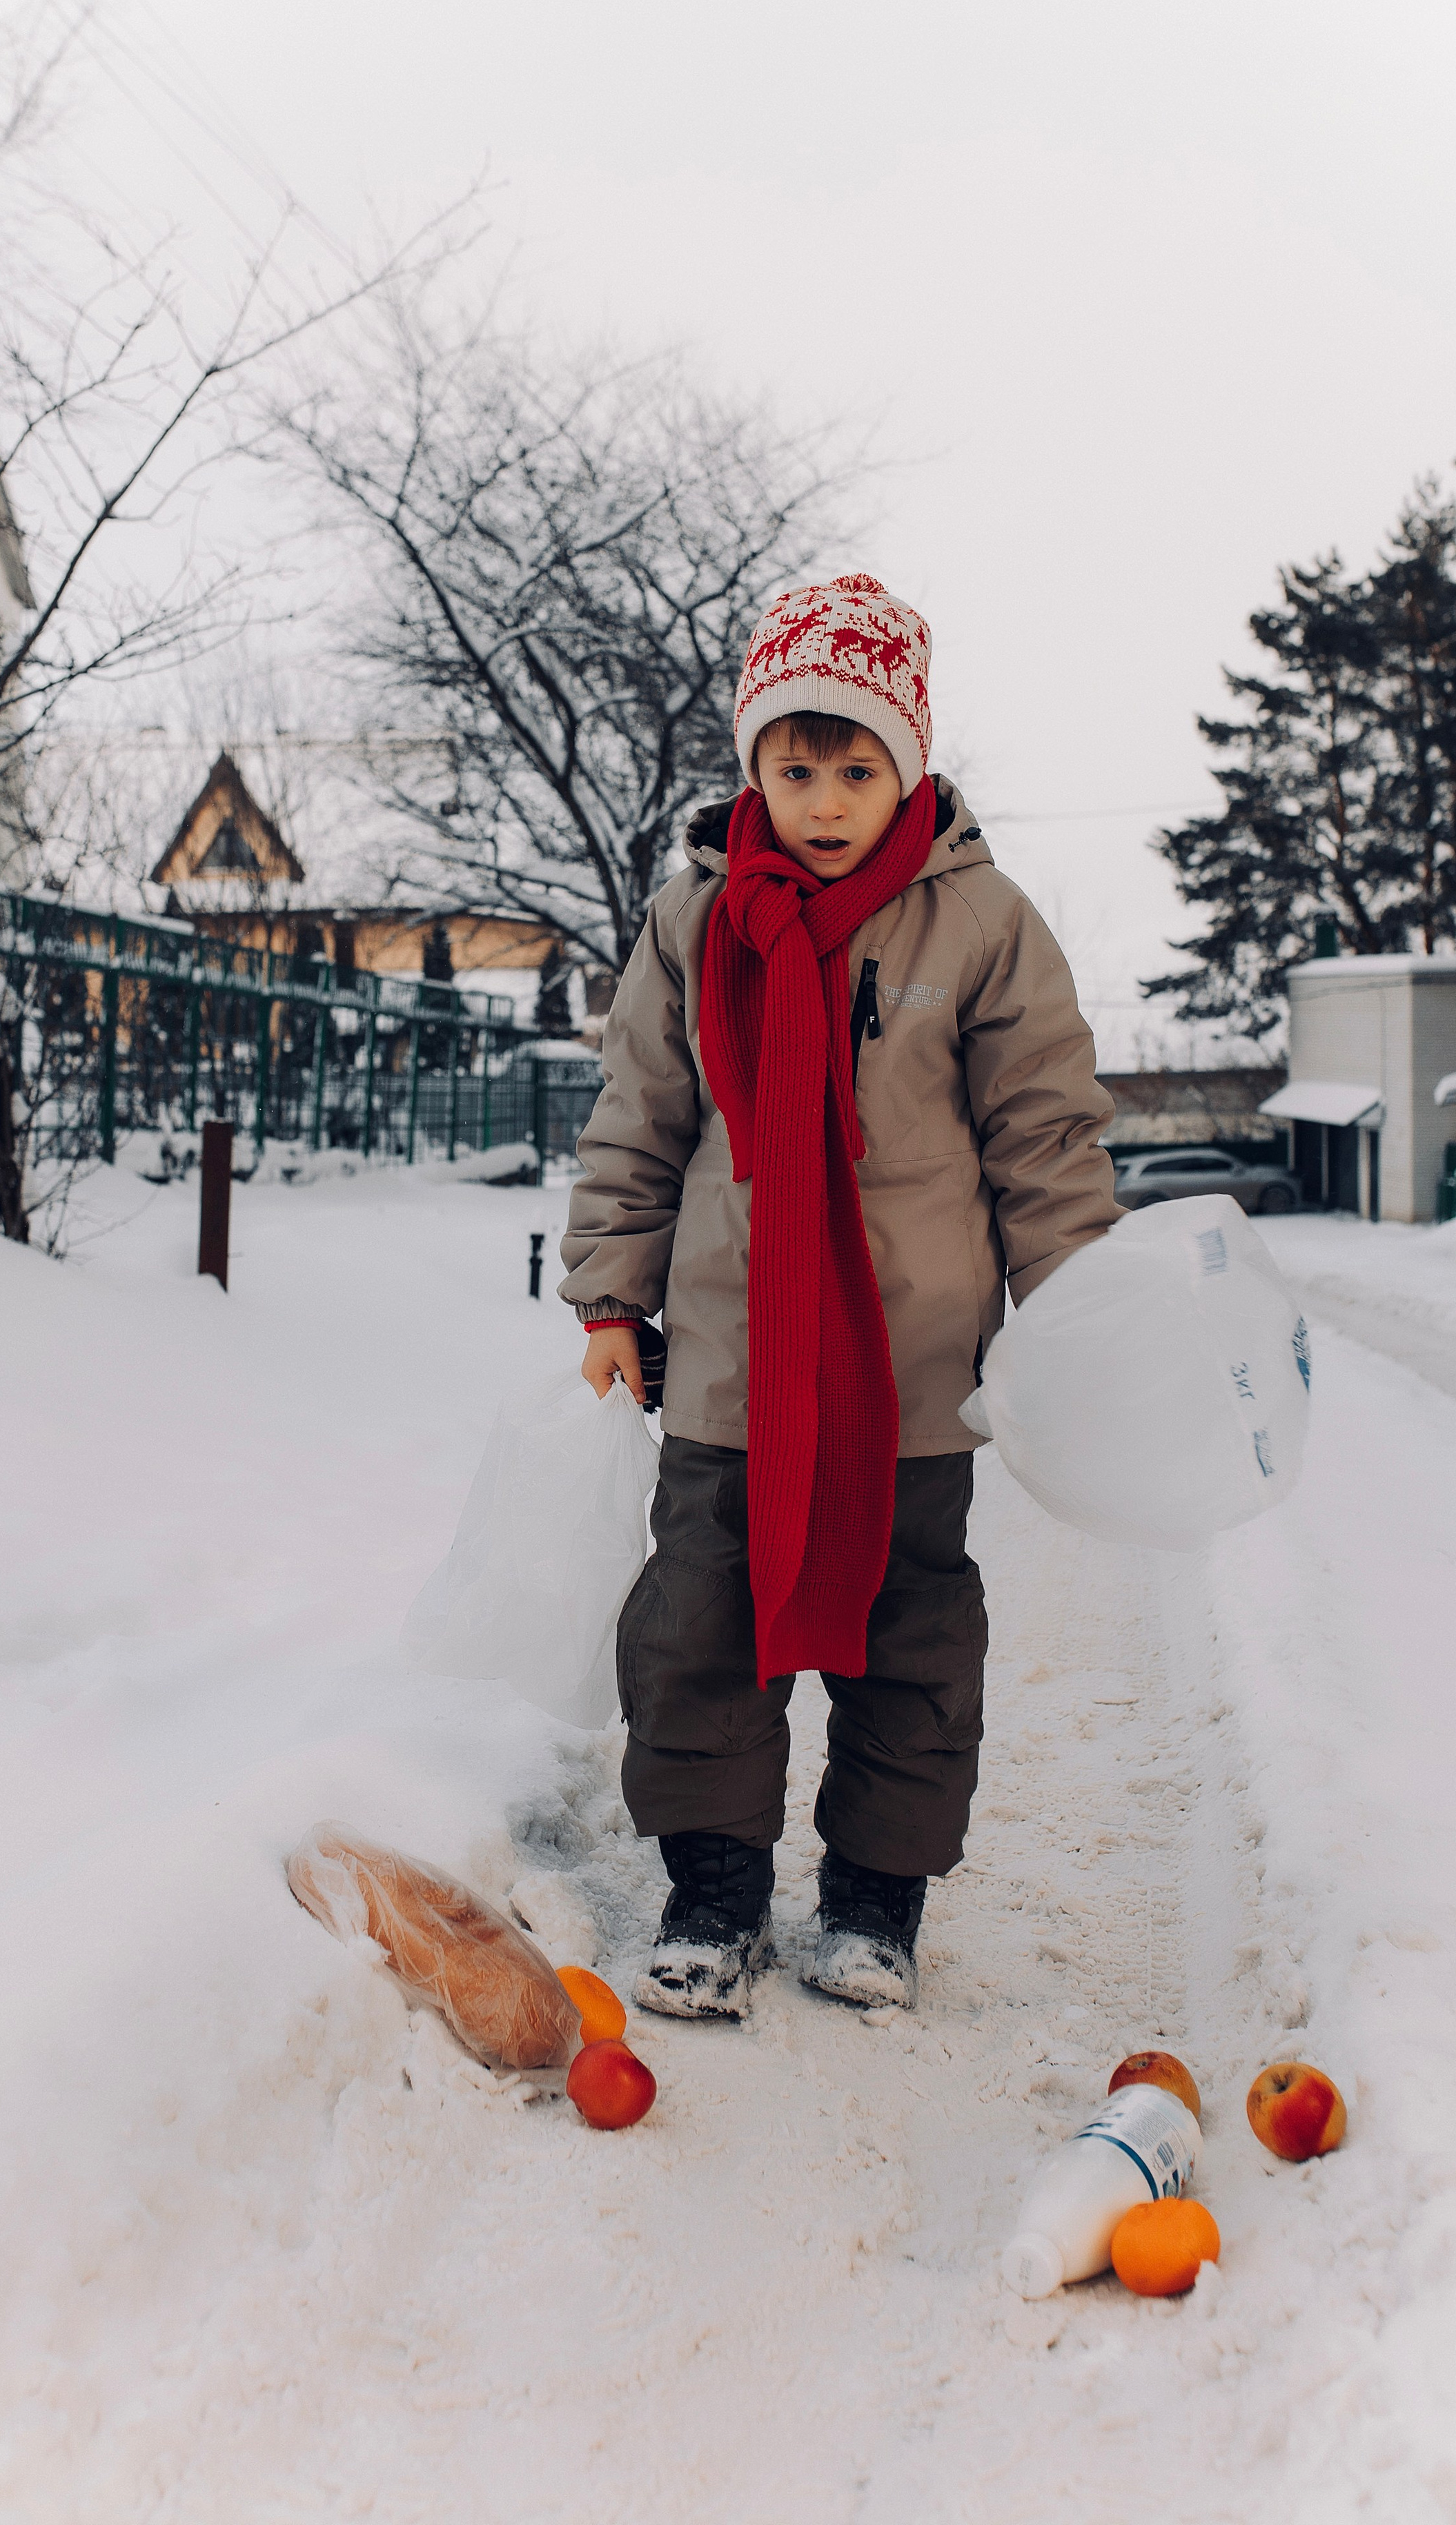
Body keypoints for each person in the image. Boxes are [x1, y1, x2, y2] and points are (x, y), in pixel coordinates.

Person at [558, 573, 1120, 2018]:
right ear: (752, 763)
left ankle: (874, 1898)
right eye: (793, 766)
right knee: (699, 1625)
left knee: (908, 1634)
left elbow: (1043, 1136)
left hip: (913, 1375)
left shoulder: (980, 926)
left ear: (906, 769)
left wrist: (1076, 1317)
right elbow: (637, 1117)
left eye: (853, 768)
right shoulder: (694, 924)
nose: (820, 799)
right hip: (735, 1364)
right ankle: (715, 1889)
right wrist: (610, 1296)